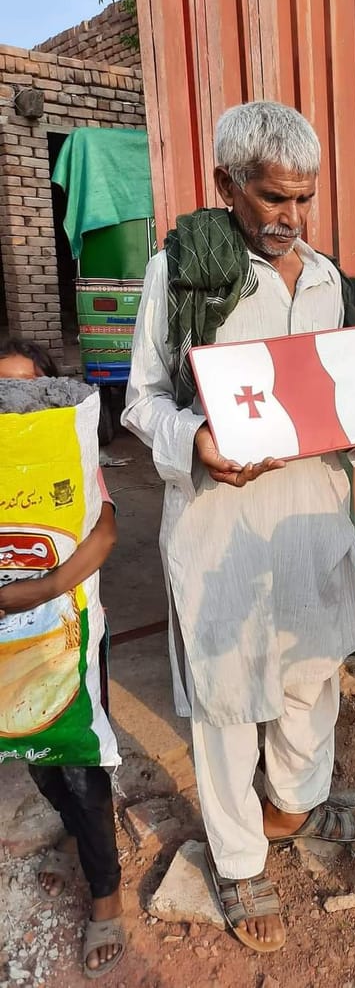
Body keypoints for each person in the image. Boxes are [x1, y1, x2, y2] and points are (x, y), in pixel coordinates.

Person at [122, 101, 355, 953]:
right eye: (274, 197)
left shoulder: (328, 283)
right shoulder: (183, 274)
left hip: (312, 520)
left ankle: (293, 805)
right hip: (218, 523)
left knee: (310, 675)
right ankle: (240, 860)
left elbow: (335, 408)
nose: (292, 217)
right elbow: (141, 400)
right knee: (225, 698)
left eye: (305, 199)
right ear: (227, 183)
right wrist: (195, 441)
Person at [0, 338, 123, 980]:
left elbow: (104, 531)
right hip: (10, 647)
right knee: (33, 751)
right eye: (4, 389)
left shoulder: (68, 451)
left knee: (79, 763)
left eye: (28, 387)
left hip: (71, 632)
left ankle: (107, 893)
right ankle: (75, 833)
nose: (15, 402)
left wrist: (40, 589)